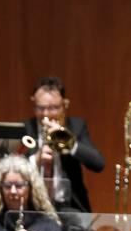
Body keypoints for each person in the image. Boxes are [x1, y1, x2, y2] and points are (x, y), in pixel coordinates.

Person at [23, 76, 105, 212]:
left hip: (69, 207)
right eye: (40, 108)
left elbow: (98, 164)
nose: (46, 115)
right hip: (32, 206)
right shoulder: (24, 129)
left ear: (65, 105)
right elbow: (9, 168)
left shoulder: (76, 126)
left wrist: (67, 141)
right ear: (33, 103)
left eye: (53, 108)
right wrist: (35, 160)